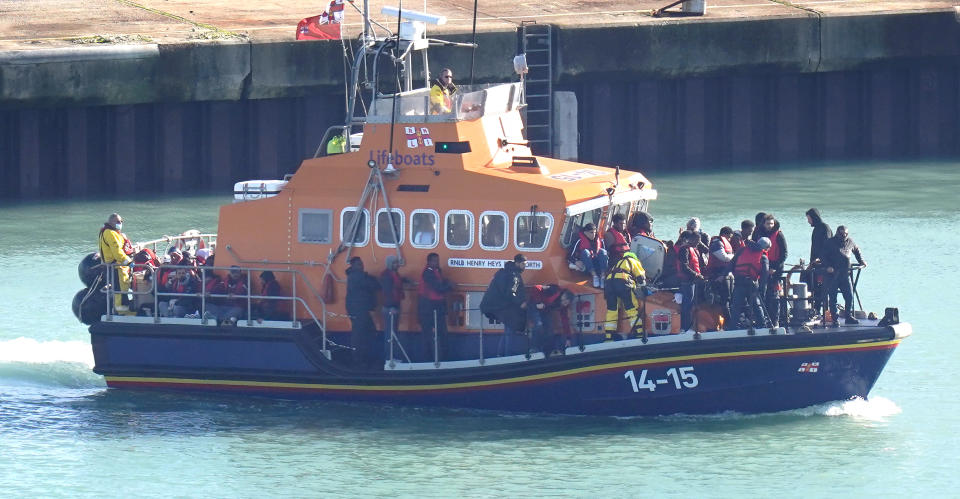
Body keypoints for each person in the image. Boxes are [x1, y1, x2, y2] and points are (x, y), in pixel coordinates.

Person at [481, 254, 529, 356]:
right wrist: (521, 302)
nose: (525, 266)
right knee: (510, 329)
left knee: (508, 330)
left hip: (495, 305)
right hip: (502, 306)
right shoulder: (514, 275)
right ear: (517, 263)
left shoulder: (504, 271)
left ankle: (500, 354)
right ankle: (507, 355)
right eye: (523, 264)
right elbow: (511, 292)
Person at [824, 225, 866, 325]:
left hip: (845, 274)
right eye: (842, 234)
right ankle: (834, 318)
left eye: (845, 234)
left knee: (849, 296)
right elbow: (823, 256)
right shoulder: (830, 242)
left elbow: (856, 250)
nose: (843, 236)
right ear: (837, 233)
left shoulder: (850, 242)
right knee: (833, 297)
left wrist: (861, 261)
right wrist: (828, 266)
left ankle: (848, 316)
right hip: (833, 275)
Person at [602, 250, 646, 341]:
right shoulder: (633, 261)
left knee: (612, 310)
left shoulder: (618, 263)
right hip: (622, 282)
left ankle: (609, 337)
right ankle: (639, 332)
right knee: (631, 308)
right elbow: (640, 276)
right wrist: (643, 287)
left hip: (609, 284)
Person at [346, 257, 381, 369]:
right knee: (359, 334)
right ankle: (358, 359)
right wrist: (373, 279)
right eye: (358, 264)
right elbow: (374, 285)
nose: (361, 266)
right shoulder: (357, 276)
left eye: (361, 263)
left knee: (367, 331)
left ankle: (363, 357)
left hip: (361, 308)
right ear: (353, 266)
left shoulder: (359, 276)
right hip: (358, 308)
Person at [418, 252, 453, 362]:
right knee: (428, 336)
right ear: (428, 262)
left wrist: (447, 283)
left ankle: (442, 359)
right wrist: (449, 286)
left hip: (437, 308)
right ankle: (428, 360)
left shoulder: (437, 271)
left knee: (442, 334)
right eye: (434, 261)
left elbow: (441, 283)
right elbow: (438, 288)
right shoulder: (427, 273)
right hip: (428, 308)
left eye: (437, 260)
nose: (437, 263)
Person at [98, 213, 136, 314]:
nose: (120, 223)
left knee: (123, 288)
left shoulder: (113, 233)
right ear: (111, 222)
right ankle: (122, 311)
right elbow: (117, 252)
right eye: (118, 221)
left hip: (119, 267)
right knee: (119, 289)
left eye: (121, 221)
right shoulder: (110, 233)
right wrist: (129, 262)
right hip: (116, 266)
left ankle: (124, 308)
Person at [730, 237, 771, 329]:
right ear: (766, 248)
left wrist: (724, 275)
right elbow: (764, 276)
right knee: (757, 305)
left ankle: (732, 327)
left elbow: (732, 263)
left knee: (736, 305)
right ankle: (762, 325)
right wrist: (762, 291)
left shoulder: (743, 250)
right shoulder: (763, 256)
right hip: (751, 284)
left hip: (739, 281)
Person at [755, 214, 788, 327]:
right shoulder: (758, 234)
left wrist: (775, 268)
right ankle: (763, 321)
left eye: (772, 224)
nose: (770, 226)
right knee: (762, 295)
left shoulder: (779, 235)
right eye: (768, 223)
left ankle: (775, 321)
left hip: (775, 270)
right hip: (762, 269)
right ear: (763, 224)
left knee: (774, 296)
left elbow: (784, 254)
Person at [527, 285, 575, 355]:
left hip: (544, 311)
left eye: (567, 303)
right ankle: (534, 349)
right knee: (538, 325)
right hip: (534, 306)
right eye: (565, 302)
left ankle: (546, 351)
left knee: (550, 329)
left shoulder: (563, 306)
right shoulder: (554, 289)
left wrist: (568, 338)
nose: (565, 304)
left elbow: (565, 321)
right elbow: (536, 287)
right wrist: (538, 302)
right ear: (564, 296)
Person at [380, 255, 410, 362]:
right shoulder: (386, 276)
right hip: (389, 308)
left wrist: (405, 280)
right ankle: (389, 358)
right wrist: (391, 306)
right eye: (395, 263)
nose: (397, 265)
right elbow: (387, 292)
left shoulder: (394, 274)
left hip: (394, 306)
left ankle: (392, 356)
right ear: (390, 264)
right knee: (389, 334)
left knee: (393, 333)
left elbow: (397, 282)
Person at [675, 230, 705, 333]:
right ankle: (684, 327)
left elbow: (706, 250)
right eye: (697, 240)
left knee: (692, 303)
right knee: (687, 305)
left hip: (693, 281)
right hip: (687, 282)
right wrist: (696, 275)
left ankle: (691, 325)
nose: (698, 243)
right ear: (691, 239)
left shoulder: (694, 248)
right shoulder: (684, 250)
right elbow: (684, 266)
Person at [806, 208, 834, 314]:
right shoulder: (816, 228)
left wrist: (820, 259)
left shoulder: (824, 228)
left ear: (814, 218)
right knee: (813, 286)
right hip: (816, 264)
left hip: (823, 265)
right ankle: (815, 309)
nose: (808, 221)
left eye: (809, 218)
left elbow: (827, 246)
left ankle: (823, 312)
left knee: (821, 288)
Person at [704, 226, 735, 322]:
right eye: (729, 237)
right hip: (717, 275)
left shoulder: (722, 243)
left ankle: (729, 321)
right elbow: (724, 257)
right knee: (724, 300)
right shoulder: (716, 243)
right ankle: (729, 322)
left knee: (728, 299)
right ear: (724, 235)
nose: (729, 239)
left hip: (725, 275)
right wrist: (735, 256)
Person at [568, 223, 609, 288]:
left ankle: (603, 277)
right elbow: (569, 255)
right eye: (591, 232)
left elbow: (606, 255)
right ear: (585, 232)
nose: (593, 235)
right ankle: (594, 276)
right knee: (585, 252)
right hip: (586, 265)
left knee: (603, 251)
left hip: (597, 265)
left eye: (595, 232)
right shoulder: (579, 240)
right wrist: (575, 261)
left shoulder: (600, 240)